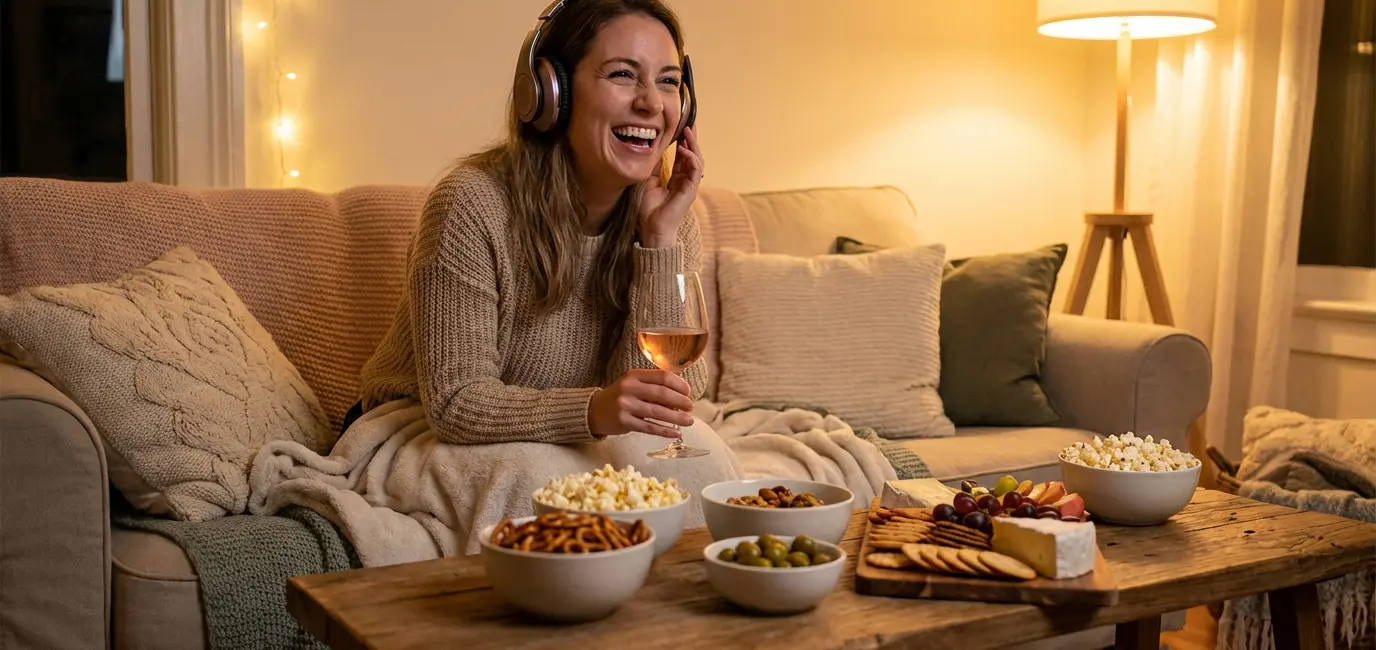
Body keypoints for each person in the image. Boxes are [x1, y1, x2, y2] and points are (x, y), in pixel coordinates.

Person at [350, 0, 722, 452]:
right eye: (622, 75)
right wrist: (594, 410)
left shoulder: (668, 217)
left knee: (705, 462)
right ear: (551, 94)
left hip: (576, 437)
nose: (650, 103)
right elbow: (455, 404)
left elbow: (667, 394)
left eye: (668, 82)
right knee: (543, 478)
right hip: (423, 433)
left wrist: (659, 242)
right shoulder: (471, 204)